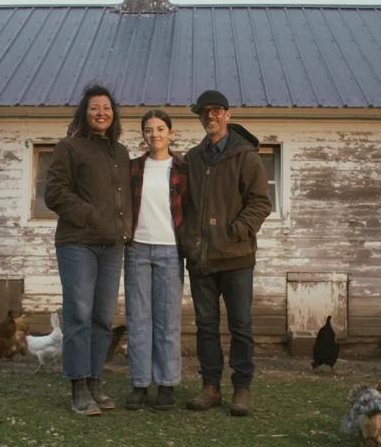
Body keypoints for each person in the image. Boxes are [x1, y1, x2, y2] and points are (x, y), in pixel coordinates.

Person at [180, 90, 271, 417]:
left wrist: (236, 231)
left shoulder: (245, 156)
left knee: (240, 325)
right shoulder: (193, 159)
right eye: (205, 112)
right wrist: (189, 240)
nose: (211, 116)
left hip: (236, 257)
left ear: (228, 115)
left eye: (217, 110)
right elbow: (184, 206)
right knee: (206, 326)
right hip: (201, 259)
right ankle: (211, 387)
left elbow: (260, 202)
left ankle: (242, 388)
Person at [45, 84, 132, 416]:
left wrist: (123, 228)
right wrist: (91, 216)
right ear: (84, 112)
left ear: (113, 114)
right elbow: (55, 193)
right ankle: (78, 386)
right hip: (77, 243)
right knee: (79, 314)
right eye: (95, 107)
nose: (101, 113)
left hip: (111, 246)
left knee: (102, 318)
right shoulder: (68, 147)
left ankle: (95, 381)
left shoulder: (120, 153)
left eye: (107, 108)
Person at [123, 110, 189, 411]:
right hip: (137, 249)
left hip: (170, 250)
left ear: (170, 133)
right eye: (149, 130)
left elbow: (191, 208)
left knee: (167, 321)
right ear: (143, 135)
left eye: (161, 129)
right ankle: (140, 384)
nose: (155, 134)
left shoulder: (183, 168)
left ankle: (166, 383)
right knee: (138, 320)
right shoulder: (133, 168)